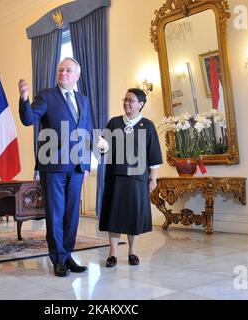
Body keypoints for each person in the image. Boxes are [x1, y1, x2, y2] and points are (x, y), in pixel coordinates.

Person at [18, 57, 107, 277]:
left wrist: (86, 165)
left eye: (68, 70)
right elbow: (29, 119)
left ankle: (67, 256)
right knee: (55, 214)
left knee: (71, 216)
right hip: (53, 166)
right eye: (60, 70)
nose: (63, 73)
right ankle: (57, 259)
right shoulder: (46, 95)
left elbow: (86, 133)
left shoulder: (83, 101)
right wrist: (24, 99)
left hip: (77, 167)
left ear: (77, 76)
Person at [99, 88, 163, 267]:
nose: (127, 103)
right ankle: (112, 253)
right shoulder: (114, 123)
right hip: (115, 177)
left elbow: (154, 155)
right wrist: (101, 144)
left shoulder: (148, 126)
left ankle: (132, 252)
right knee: (114, 214)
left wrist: (153, 179)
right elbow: (103, 147)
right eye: (125, 99)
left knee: (133, 215)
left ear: (140, 104)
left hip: (137, 180)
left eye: (131, 100)